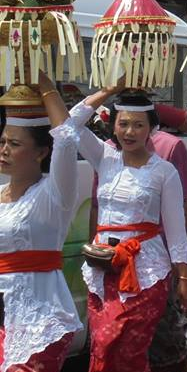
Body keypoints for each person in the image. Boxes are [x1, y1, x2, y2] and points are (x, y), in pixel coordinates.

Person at [71, 86, 187, 372]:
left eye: (138, 125)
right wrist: (111, 89)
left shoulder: (164, 172)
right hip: (103, 269)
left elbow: (175, 232)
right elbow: (71, 122)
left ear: (151, 128)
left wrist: (184, 277)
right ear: (113, 125)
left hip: (146, 272)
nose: (129, 132)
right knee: (102, 345)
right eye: (123, 123)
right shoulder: (103, 156)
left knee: (129, 349)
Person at [0, 74, 82, 372]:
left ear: (41, 153)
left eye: (15, 144)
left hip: (40, 319)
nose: (4, 150)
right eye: (3, 142)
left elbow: (68, 139)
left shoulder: (53, 196)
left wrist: (45, 84)